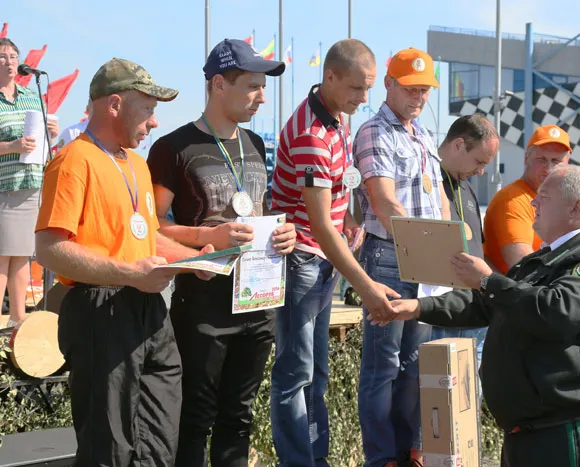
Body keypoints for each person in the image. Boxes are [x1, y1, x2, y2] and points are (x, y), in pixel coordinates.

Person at [388, 165, 580, 467]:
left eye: (544, 197)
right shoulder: (543, 260)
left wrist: (488, 281)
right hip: (529, 433)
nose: (533, 203)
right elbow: (486, 305)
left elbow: (556, 311)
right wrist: (419, 307)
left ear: (576, 207)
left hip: (566, 432)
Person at [35, 58, 216, 467]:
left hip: (149, 309)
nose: (154, 123)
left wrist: (197, 261)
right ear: (114, 104)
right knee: (109, 449)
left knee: (158, 444)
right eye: (148, 110)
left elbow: (145, 236)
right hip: (100, 309)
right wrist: (130, 274)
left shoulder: (135, 164)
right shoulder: (73, 161)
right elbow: (50, 248)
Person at [147, 38, 296, 467]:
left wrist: (281, 236)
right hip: (204, 307)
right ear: (217, 85)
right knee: (194, 418)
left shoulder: (255, 144)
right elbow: (152, 225)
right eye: (251, 86)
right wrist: (205, 238)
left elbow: (256, 213)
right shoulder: (173, 148)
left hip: (258, 302)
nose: (261, 97)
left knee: (239, 417)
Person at [270, 38, 398, 467]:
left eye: (369, 89)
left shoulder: (336, 120)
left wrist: (354, 217)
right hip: (302, 260)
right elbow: (321, 226)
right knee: (295, 375)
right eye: (358, 89)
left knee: (315, 375)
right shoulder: (311, 133)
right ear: (330, 77)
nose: (365, 99)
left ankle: (316, 458)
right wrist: (366, 287)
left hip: (319, 262)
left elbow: (342, 190)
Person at [353, 47, 447, 467]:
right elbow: (383, 202)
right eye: (411, 88)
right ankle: (382, 458)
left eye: (425, 90)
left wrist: (447, 243)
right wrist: (432, 242)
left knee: (413, 366)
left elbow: (440, 196)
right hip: (389, 257)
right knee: (383, 368)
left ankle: (409, 450)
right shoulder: (375, 132)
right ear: (389, 83)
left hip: (425, 256)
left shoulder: (423, 134)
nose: (419, 97)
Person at [429, 114, 499, 371]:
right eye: (479, 161)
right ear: (458, 145)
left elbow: (477, 246)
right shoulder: (427, 180)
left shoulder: (466, 186)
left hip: (474, 314)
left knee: (468, 398)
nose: (480, 171)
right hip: (442, 314)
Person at [0, 38, 59, 326]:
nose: (9, 61)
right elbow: (14, 144)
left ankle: (18, 321)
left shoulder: (30, 97)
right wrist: (11, 146)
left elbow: (41, 144)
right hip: (3, 188)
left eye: (13, 56)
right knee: (2, 256)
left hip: (31, 184)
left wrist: (53, 133)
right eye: (2, 56)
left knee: (22, 255)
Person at [483, 124, 571, 273]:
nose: (548, 168)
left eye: (556, 161)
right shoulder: (512, 200)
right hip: (516, 292)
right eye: (541, 159)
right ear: (526, 159)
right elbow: (523, 267)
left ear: (567, 163)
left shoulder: (560, 200)